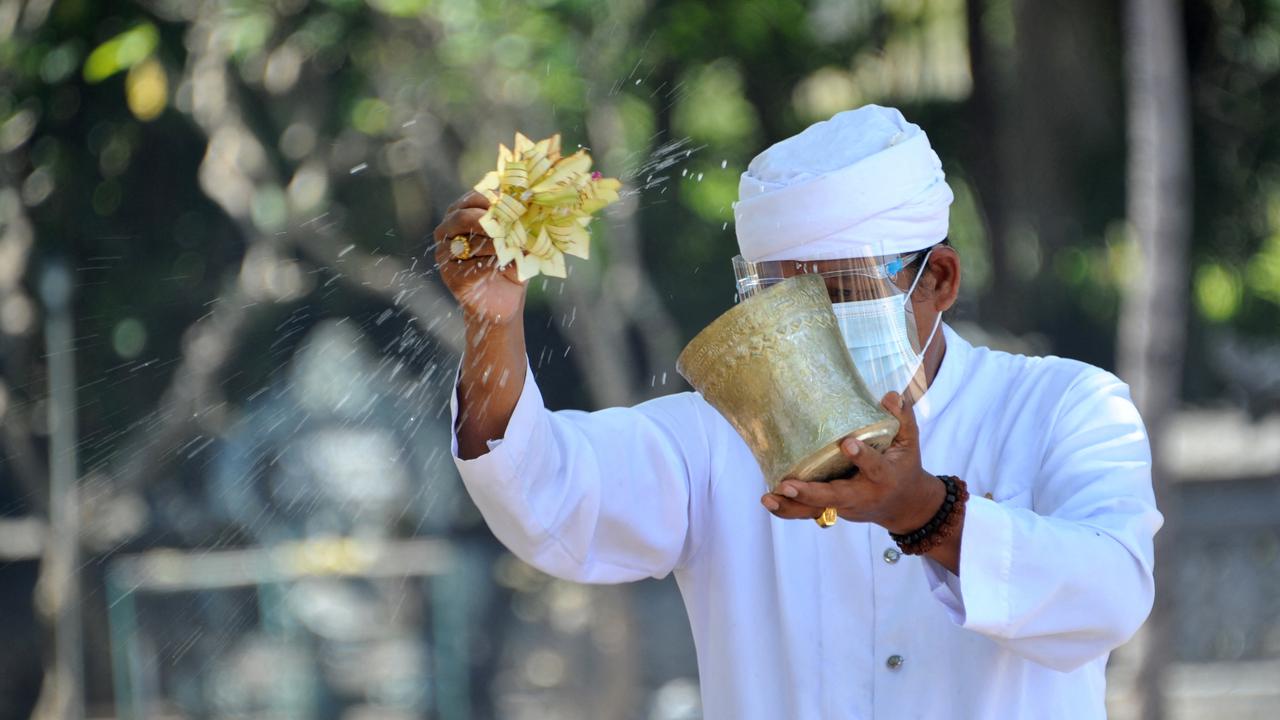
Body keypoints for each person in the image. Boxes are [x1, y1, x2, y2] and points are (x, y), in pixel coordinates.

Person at [432, 105, 1162, 719]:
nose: (805, 332)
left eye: (840, 292)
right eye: (784, 305)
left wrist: (928, 514)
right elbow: (546, 496)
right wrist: (493, 323)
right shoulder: (720, 435)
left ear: (936, 280)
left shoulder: (1063, 406)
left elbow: (1110, 595)